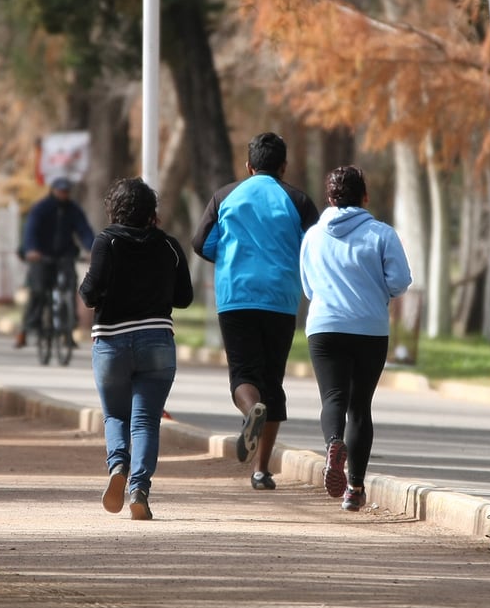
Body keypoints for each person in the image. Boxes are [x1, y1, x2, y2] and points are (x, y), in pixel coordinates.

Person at [191, 132, 319, 491]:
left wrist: (231, 257)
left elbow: (201, 242)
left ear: (249, 166)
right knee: (272, 380)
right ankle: (262, 471)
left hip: (236, 296)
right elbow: (315, 245)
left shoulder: (225, 196)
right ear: (283, 166)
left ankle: (251, 412)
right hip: (280, 299)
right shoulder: (298, 199)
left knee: (244, 374)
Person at [79, 177, 194, 520]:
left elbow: (89, 293)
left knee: (116, 414)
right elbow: (184, 298)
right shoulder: (170, 246)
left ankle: (118, 466)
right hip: (157, 341)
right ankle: (140, 489)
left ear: (114, 208)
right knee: (145, 420)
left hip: (111, 342)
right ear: (151, 211)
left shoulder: (107, 242)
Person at [299, 165, 412, 511]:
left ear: (329, 198)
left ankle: (334, 443)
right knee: (359, 407)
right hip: (369, 328)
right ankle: (355, 489)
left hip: (324, 327)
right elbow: (400, 281)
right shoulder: (381, 234)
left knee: (333, 398)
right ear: (365, 197)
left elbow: (307, 287)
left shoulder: (313, 236)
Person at [15, 176, 96, 348]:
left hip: (65, 254)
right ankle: (29, 326)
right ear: (53, 191)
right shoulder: (41, 208)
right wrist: (31, 250)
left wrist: (92, 249)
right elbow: (31, 230)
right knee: (38, 289)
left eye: (66, 191)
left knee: (70, 284)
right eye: (60, 191)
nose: (63, 194)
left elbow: (84, 230)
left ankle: (68, 328)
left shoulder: (73, 210)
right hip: (41, 255)